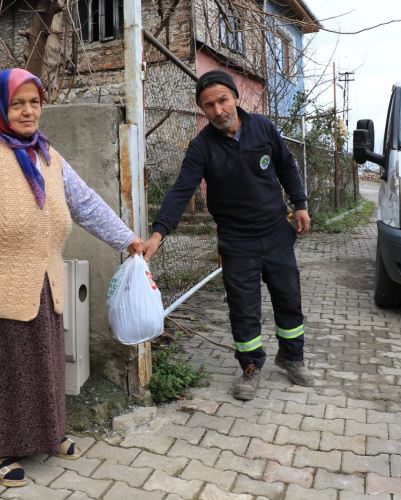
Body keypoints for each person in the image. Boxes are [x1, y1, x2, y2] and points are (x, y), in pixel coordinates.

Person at [0, 68, 143, 488]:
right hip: (4, 282)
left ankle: (47, 434)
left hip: (44, 281)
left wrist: (127, 239)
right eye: (17, 103)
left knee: (43, 363)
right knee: (7, 368)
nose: (28, 112)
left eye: (34, 103)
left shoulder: (49, 155)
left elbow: (87, 205)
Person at [143, 69, 314, 401]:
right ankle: (250, 367)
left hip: (277, 231)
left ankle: (292, 358)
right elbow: (181, 190)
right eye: (208, 105)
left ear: (236, 97)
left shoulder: (263, 127)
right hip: (237, 240)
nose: (218, 110)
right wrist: (158, 233)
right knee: (243, 307)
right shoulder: (201, 147)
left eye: (222, 100)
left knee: (288, 298)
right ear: (202, 110)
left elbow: (287, 165)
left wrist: (301, 204)